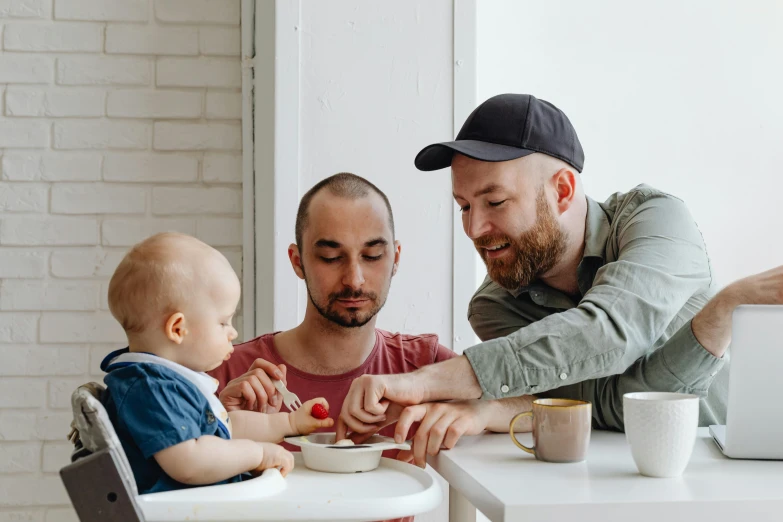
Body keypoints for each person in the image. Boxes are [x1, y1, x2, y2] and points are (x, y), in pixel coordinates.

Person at [338, 93, 783, 443]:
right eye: (464, 206)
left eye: (495, 202)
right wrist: (718, 316)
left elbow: (611, 329)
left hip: (745, 478)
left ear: (563, 191)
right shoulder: (494, 308)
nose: (474, 228)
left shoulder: (656, 219)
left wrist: (429, 382)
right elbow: (608, 405)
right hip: (596, 493)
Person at [210, 173, 524, 470]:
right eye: (331, 258)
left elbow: (545, 408)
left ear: (396, 259)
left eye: (372, 256)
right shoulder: (225, 373)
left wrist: (482, 412)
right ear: (297, 261)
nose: (354, 280)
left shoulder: (423, 365)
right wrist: (218, 428)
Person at [101, 233, 332, 494]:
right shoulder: (151, 388)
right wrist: (257, 454)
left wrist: (289, 423)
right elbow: (190, 461)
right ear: (178, 329)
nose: (232, 333)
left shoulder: (167, 382)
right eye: (223, 322)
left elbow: (226, 428)